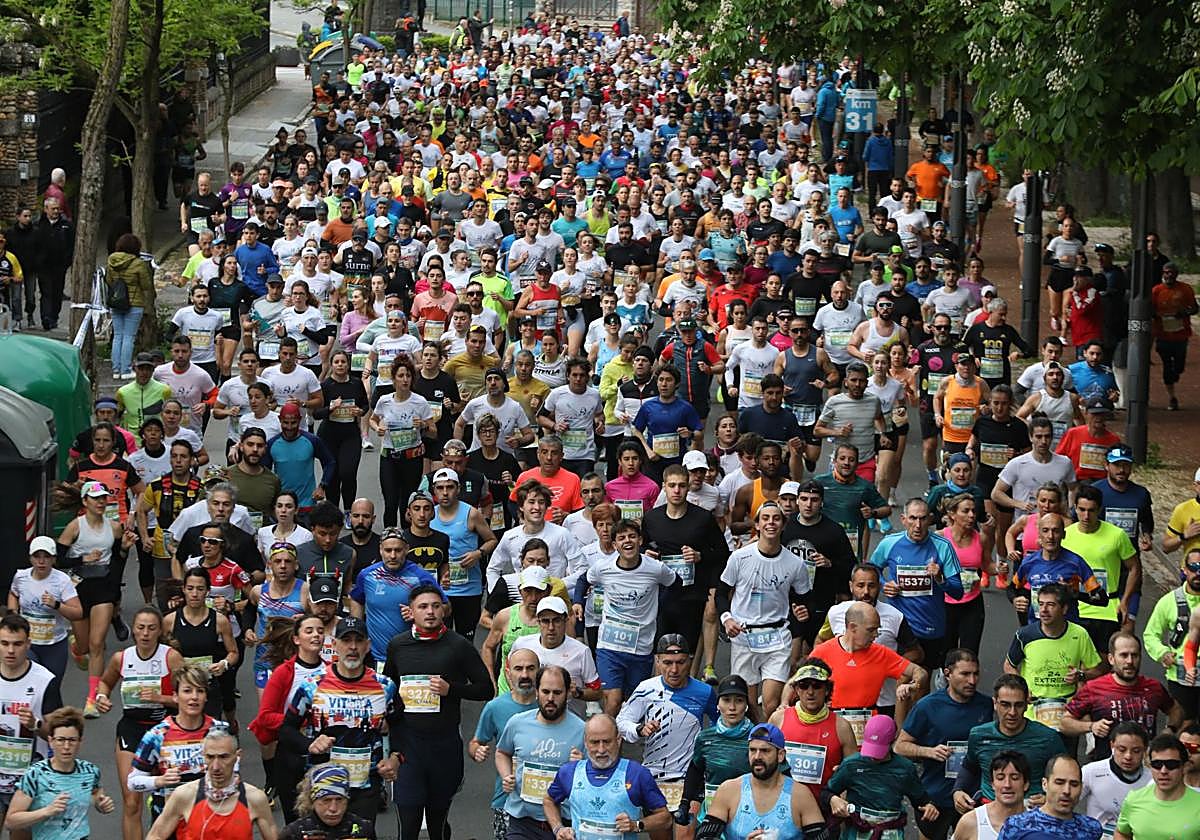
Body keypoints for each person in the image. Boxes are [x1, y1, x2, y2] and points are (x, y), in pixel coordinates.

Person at [383, 586, 492, 840]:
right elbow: (388, 688)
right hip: (407, 746)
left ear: (444, 610)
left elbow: (485, 689)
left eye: (435, 606)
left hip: (444, 745)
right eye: (423, 607)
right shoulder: (398, 646)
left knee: (437, 823)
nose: (430, 612)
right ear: (411, 612)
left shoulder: (458, 646)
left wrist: (451, 689)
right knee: (408, 822)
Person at [279, 617, 399, 819]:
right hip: (322, 785)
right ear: (334, 645)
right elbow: (286, 730)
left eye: (358, 641)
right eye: (346, 640)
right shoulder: (312, 686)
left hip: (366, 784)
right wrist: (310, 744)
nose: (352, 647)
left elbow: (401, 726)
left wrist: (396, 757)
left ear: (368, 646)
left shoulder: (385, 687)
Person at [719, 501, 812, 720]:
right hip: (744, 636)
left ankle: (772, 743)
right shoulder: (740, 557)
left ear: (783, 524)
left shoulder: (795, 563)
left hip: (777, 637)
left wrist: (802, 612)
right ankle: (756, 746)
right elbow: (721, 593)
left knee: (771, 703)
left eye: (776, 519)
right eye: (766, 518)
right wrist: (727, 619)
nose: (771, 523)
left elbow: (805, 598)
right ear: (758, 525)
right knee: (749, 705)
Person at [896, 649, 995, 840]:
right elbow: (900, 746)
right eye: (965, 674)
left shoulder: (986, 705)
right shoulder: (928, 706)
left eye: (976, 674)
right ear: (947, 674)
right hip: (936, 796)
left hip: (973, 796)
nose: (972, 681)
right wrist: (928, 751)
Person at [57, 480, 136, 716]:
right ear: (84, 502)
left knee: (97, 644)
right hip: (78, 588)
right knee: (83, 646)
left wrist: (123, 549)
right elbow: (59, 559)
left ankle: (91, 699)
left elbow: (118, 562)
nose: (101, 502)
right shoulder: (75, 527)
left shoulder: (113, 527)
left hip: (103, 588)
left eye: (103, 498)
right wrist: (83, 560)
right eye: (96, 498)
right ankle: (76, 648)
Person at [616, 635, 717, 810]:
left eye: (680, 662)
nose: (674, 669)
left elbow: (720, 726)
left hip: (690, 776)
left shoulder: (705, 692)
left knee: (685, 834)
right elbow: (621, 722)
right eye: (667, 663)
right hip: (653, 775)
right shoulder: (646, 689)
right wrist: (639, 729)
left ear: (689, 661)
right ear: (657, 661)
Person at [542, 714, 671, 840]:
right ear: (586, 743)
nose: (601, 749)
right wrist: (558, 829)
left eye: (607, 742)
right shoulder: (569, 772)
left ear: (618, 740)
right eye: (595, 742)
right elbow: (549, 801)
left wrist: (636, 825)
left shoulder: (637, 773)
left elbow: (665, 818)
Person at [869, 497, 964, 669]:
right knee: (896, 677)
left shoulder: (943, 547)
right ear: (903, 520)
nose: (918, 525)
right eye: (913, 518)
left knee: (922, 680)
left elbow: (958, 592)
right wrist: (884, 584)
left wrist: (940, 579)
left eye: (922, 518)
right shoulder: (889, 543)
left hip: (930, 625)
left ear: (930, 519)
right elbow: (871, 570)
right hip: (898, 625)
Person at [495, 665, 587, 840]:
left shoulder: (582, 730)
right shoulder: (517, 723)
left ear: (568, 694)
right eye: (545, 691)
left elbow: (598, 776)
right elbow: (502, 752)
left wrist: (581, 767)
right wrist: (506, 775)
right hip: (522, 820)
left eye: (557, 693)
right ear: (536, 691)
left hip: (564, 823)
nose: (550, 698)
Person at [818, 563, 923, 716]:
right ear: (851, 586)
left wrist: (888, 665)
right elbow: (821, 641)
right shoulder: (835, 612)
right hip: (841, 702)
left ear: (879, 587)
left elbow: (917, 653)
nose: (866, 592)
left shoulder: (894, 616)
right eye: (860, 585)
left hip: (884, 699)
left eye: (871, 586)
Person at [952, 674, 1066, 810]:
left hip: (1033, 813)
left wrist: (1050, 797)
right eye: (1005, 705)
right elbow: (969, 766)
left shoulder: (1048, 738)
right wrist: (958, 790)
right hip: (990, 810)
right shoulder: (978, 735)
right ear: (995, 703)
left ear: (1026, 705)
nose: (1012, 712)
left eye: (1018, 705)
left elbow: (1066, 775)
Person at [699, 722, 826, 840]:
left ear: (780, 755)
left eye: (765, 751)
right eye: (752, 750)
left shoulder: (800, 795)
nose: (757, 757)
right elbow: (704, 838)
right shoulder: (729, 790)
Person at [143, 728, 277, 840]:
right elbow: (156, 836)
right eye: (210, 757)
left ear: (237, 756)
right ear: (203, 756)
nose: (216, 766)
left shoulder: (255, 799)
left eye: (223, 757)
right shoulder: (184, 795)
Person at [5, 706, 116, 840]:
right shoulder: (36, 774)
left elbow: (96, 795)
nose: (66, 747)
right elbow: (11, 821)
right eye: (61, 740)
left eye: (72, 740)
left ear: (80, 742)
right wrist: (46, 811)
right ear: (51, 741)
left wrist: (101, 805)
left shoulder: (90, 771)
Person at [811, 601, 927, 720]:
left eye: (877, 629)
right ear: (852, 627)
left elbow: (920, 672)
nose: (876, 635)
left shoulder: (881, 653)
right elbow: (796, 682)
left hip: (869, 729)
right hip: (830, 723)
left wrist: (912, 686)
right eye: (871, 630)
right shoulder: (822, 652)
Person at [0, 614, 63, 834]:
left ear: (28, 644)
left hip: (28, 780)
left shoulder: (44, 680)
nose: (10, 650)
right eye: (4, 643)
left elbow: (58, 734)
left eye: (17, 644)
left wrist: (36, 725)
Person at [828, 715, 938, 837]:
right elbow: (827, 792)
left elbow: (920, 798)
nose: (873, 756)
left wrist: (929, 806)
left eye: (879, 750)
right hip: (858, 830)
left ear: (892, 741)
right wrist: (832, 799)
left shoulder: (905, 768)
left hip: (890, 831)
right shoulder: (851, 764)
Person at [347, 527, 442, 665]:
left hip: (411, 654)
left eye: (398, 550)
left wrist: (418, 613)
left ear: (407, 549)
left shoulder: (420, 577)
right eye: (388, 550)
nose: (392, 556)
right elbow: (356, 600)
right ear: (380, 550)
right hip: (375, 657)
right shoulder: (367, 575)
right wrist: (357, 631)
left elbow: (445, 607)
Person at [765, 659, 859, 798]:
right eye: (804, 686)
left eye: (817, 686)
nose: (810, 692)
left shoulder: (842, 727)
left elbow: (852, 773)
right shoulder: (778, 719)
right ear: (796, 690)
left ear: (827, 690)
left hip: (824, 807)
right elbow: (764, 760)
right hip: (783, 805)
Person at [1064, 485, 1139, 651]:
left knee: (1105, 664)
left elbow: (1134, 567)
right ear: (1075, 508)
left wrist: (1125, 600)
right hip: (1075, 608)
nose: (1085, 515)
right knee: (1076, 664)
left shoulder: (1117, 535)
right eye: (1081, 509)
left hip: (1107, 609)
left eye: (1091, 510)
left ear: (1099, 510)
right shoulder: (1065, 535)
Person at [676, 675, 754, 826]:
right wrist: (685, 802)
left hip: (746, 816)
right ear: (717, 705)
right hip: (712, 815)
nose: (732, 707)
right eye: (726, 700)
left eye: (738, 700)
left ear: (746, 705)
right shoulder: (705, 737)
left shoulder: (757, 737)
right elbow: (696, 769)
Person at [9, 536, 82, 680]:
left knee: (51, 688)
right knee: (29, 683)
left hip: (54, 644)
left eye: (46, 557)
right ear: (30, 558)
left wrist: (57, 605)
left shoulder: (62, 581)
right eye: (37, 556)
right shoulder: (21, 577)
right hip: (27, 643)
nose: (41, 561)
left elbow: (78, 613)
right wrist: (13, 616)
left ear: (54, 559)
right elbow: (13, 594)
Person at [1141, 547, 1200, 725]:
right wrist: (1163, 653)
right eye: (1194, 567)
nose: (1198, 573)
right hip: (1180, 676)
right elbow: (1151, 634)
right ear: (1184, 569)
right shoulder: (1169, 602)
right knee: (1182, 725)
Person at [511, 597, 602, 703]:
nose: (551, 627)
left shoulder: (581, 652)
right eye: (545, 621)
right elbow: (509, 670)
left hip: (569, 716)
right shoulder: (522, 644)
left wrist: (576, 692)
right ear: (538, 622)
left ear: (566, 621)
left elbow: (597, 692)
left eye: (556, 620)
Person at [994, 755, 1101, 840]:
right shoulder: (1017, 825)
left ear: (1081, 787)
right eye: (1059, 783)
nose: (1066, 791)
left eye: (1074, 784)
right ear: (1045, 784)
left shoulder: (1091, 828)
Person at [1077, 722, 1151, 834]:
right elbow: (1067, 801)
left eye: (1136, 751)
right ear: (1112, 746)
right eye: (1122, 749)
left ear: (1145, 750)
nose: (1128, 756)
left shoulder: (1152, 779)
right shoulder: (1091, 771)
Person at [278, 764, 376, 840]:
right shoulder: (294, 833)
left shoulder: (364, 829)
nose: (333, 808)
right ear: (312, 800)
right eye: (326, 800)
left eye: (339, 799)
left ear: (347, 799)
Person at [108, 234, 157, 380]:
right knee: (129, 337)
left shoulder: (111, 261)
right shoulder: (138, 263)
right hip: (134, 303)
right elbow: (146, 285)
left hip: (116, 301)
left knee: (118, 336)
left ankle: (116, 370)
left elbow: (109, 280)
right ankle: (126, 369)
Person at [951, 751, 1029, 840]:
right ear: (992, 784)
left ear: (1026, 784)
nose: (1007, 784)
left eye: (1014, 778)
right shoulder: (971, 821)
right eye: (1000, 778)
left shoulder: (1040, 823)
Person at [1150, 262, 1197, 411]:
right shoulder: (1156, 291)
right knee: (1167, 367)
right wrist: (1156, 316)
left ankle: (1175, 373)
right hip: (1163, 334)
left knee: (1179, 366)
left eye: (1172, 273)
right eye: (1166, 272)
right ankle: (1172, 397)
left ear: (1176, 274)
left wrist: (1184, 313)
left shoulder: (1185, 289)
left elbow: (1195, 308)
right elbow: (1150, 310)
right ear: (1162, 274)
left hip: (1181, 334)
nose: (1169, 275)